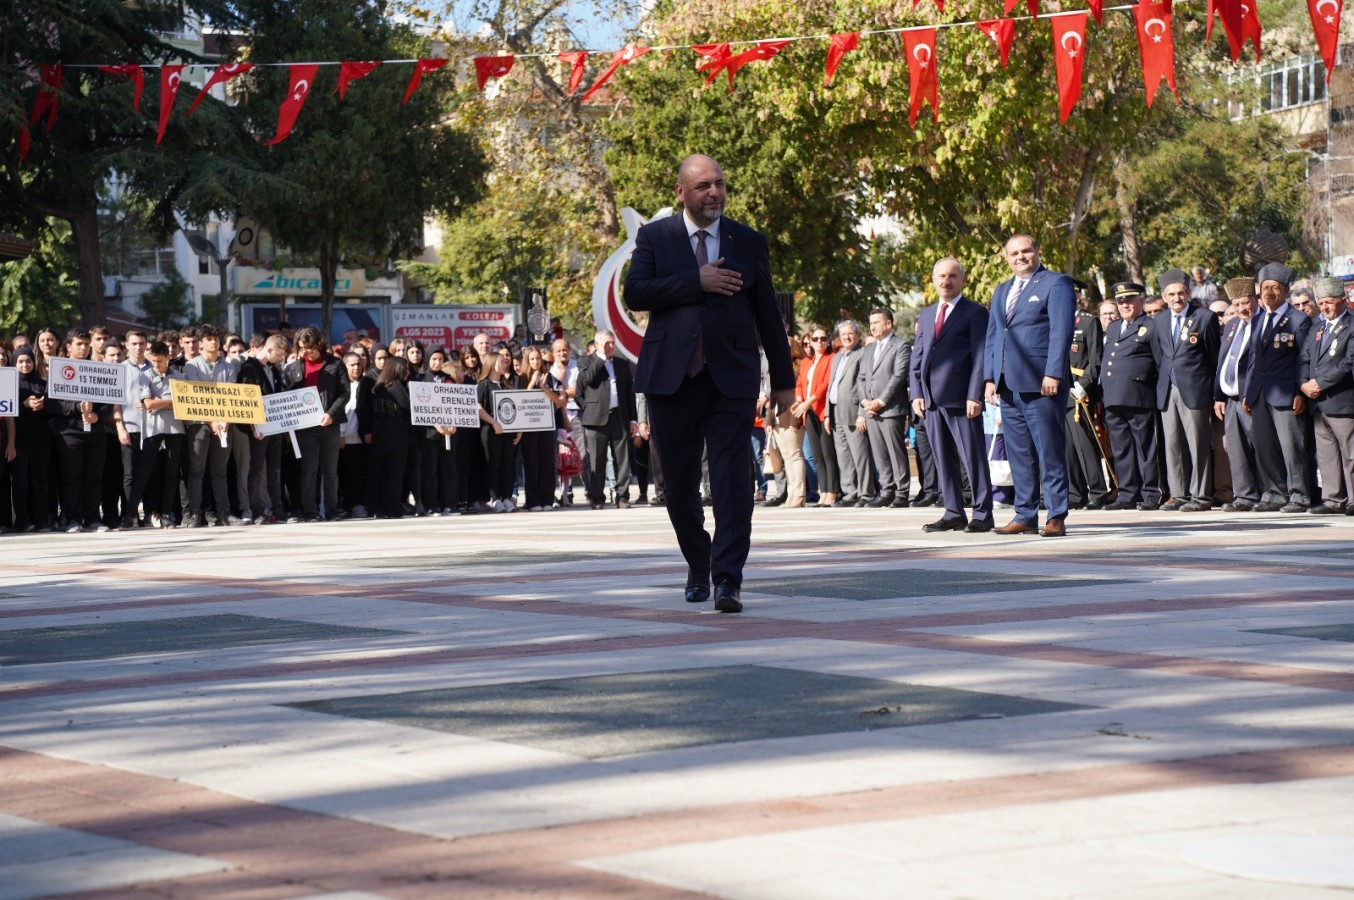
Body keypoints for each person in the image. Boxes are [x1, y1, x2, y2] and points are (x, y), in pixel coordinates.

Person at [623, 153, 794, 613]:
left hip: (730, 379)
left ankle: (727, 579)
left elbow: (768, 315)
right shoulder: (655, 237)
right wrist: (693, 281)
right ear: (680, 192)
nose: (714, 192)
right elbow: (635, 293)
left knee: (732, 481)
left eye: (719, 183)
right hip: (672, 379)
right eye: (703, 186)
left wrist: (784, 382)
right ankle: (699, 564)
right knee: (677, 487)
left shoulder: (747, 240)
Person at [983, 233, 1075, 536]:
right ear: (1006, 258)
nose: (1020, 257)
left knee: (1049, 451)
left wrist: (1054, 373)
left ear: (1038, 251)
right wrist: (989, 378)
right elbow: (994, 336)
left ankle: (1056, 515)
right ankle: (1024, 513)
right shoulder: (1001, 290)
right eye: (1014, 253)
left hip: (1041, 382)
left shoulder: (1056, 283)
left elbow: (1061, 332)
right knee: (1019, 453)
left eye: (1026, 251)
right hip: (1008, 384)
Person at [910, 257, 993, 532]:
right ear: (934, 281)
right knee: (942, 459)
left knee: (973, 457)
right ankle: (953, 511)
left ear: (963, 280)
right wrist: (917, 392)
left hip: (961, 398)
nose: (946, 281)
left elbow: (980, 356)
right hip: (931, 400)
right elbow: (918, 356)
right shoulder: (926, 314)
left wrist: (975, 395)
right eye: (941, 276)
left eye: (952, 276)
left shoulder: (975, 312)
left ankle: (982, 513)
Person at [1152, 268, 1222, 511]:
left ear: (1189, 293)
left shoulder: (1204, 317)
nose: (1176, 298)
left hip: (1196, 391)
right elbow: (1159, 357)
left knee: (1198, 444)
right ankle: (1179, 495)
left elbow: (1215, 359)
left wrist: (1215, 394)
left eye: (1181, 293)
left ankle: (1201, 496)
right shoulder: (1159, 321)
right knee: (1172, 445)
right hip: (1168, 389)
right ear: (1164, 296)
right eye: (1171, 295)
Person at [1244, 263, 1313, 512]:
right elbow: (1254, 359)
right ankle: (1274, 493)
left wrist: (1300, 391)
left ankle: (1299, 495)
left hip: (1286, 394)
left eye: (1274, 287)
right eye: (1264, 288)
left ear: (1285, 290)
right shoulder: (1258, 320)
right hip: (1259, 394)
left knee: (1292, 447)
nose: (1269, 292)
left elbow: (1304, 359)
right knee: (1265, 446)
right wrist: (1248, 393)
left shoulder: (1299, 319)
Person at [1101, 282, 1163, 510]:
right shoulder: (1114, 327)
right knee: (1121, 448)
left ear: (1140, 301)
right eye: (1120, 301)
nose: (1124, 304)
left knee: (1145, 446)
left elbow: (1159, 362)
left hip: (1139, 396)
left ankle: (1151, 493)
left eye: (1128, 300)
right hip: (1113, 397)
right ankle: (1127, 493)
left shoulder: (1151, 325)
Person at [282, 326, 349, 522]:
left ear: (318, 344)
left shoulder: (335, 364)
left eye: (308, 348)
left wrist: (330, 414)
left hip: (330, 425)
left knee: (330, 470)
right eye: (301, 348)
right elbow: (288, 397)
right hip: (305, 428)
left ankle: (331, 510)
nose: (305, 352)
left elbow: (345, 393)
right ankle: (310, 511)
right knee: (309, 471)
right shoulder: (294, 367)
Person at [1300, 277, 1354, 514]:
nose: (1324, 307)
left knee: (1350, 454)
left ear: (1343, 301)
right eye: (1321, 303)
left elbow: (1348, 362)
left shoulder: (1352, 325)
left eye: (1329, 302)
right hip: (1317, 402)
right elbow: (1304, 359)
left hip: (1342, 399)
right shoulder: (1317, 327)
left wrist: (1320, 383)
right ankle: (1333, 499)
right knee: (1327, 454)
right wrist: (1303, 385)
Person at [53, 328, 110, 533]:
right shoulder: (59, 370)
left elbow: (108, 401)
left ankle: (93, 518)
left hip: (96, 433)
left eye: (86, 344)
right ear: (68, 346)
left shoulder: (97, 369)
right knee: (71, 478)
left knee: (94, 477)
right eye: (79, 344)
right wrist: (76, 408)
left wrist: (99, 415)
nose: (84, 348)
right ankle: (73, 519)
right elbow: (53, 405)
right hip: (70, 433)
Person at [125, 341, 186, 529]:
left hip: (176, 428)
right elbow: (148, 404)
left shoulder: (178, 377)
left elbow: (183, 403)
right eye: (154, 361)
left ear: (168, 357)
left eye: (160, 361)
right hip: (153, 428)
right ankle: (129, 514)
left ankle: (167, 513)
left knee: (171, 472)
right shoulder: (145, 376)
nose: (157, 365)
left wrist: (158, 402)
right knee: (143, 471)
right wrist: (169, 402)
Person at [575, 329, 637, 509]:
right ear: (597, 344)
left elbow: (629, 393)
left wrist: (633, 419)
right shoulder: (585, 361)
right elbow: (585, 383)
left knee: (622, 460)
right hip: (596, 419)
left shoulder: (621, 364)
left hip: (619, 416)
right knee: (597, 460)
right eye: (607, 343)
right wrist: (601, 358)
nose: (611, 346)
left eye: (613, 343)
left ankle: (622, 496)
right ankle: (597, 498)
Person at [856, 307, 912, 508]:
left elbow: (898, 377)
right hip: (870, 409)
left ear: (888, 324)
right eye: (871, 323)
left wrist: (880, 402)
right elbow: (861, 378)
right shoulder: (869, 349)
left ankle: (902, 492)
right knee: (879, 453)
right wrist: (864, 402)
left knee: (895, 452)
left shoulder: (901, 345)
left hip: (890, 409)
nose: (872, 327)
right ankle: (886, 490)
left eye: (876, 322)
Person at [1215, 277, 1262, 511]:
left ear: (1255, 299)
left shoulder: (1263, 322)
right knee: (1235, 449)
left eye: (1246, 302)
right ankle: (1244, 496)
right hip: (1230, 398)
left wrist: (1250, 394)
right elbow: (1223, 360)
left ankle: (1267, 493)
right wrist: (1218, 396)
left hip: (1252, 397)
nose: (1242, 308)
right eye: (1236, 304)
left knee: (1259, 446)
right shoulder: (1232, 325)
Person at [1066, 282, 1112, 510]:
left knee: (1085, 444)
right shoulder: (1053, 323)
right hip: (1059, 389)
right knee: (1067, 447)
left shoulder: (1087, 322)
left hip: (1079, 391)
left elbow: (1096, 358)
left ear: (1077, 298)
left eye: (1070, 295)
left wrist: (1084, 384)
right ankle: (1075, 493)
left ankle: (1098, 491)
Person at [238, 333, 289, 524]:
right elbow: (247, 400)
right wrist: (253, 426)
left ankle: (278, 509)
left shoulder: (274, 371)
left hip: (275, 427)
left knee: (275, 470)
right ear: (268, 350)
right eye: (278, 354)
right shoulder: (249, 369)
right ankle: (256, 509)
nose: (280, 358)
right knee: (256, 469)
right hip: (259, 429)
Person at [825, 318, 874, 507]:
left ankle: (865, 494)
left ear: (857, 335)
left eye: (850, 333)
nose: (846, 337)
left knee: (860, 455)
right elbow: (832, 386)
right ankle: (849, 492)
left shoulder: (862, 354)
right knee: (843, 455)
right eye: (843, 334)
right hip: (836, 411)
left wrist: (863, 412)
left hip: (854, 411)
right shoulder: (837, 356)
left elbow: (864, 386)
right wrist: (828, 414)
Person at [358, 356, 412, 519]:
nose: (408, 372)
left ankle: (378, 508)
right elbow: (407, 406)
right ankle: (393, 508)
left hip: (380, 436)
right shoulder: (396, 386)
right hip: (396, 438)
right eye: (405, 369)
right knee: (395, 474)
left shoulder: (379, 387)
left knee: (380, 474)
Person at [796, 327, 838, 507]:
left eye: (823, 338)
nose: (819, 342)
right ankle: (823, 491)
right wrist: (799, 400)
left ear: (828, 341)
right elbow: (799, 384)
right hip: (808, 411)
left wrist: (809, 401)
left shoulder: (831, 358)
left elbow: (825, 384)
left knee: (828, 453)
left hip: (822, 410)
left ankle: (832, 491)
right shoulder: (807, 362)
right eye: (815, 339)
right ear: (810, 342)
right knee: (816, 454)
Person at [477, 345, 521, 512]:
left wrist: (520, 429)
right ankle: (495, 498)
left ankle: (507, 496)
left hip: (508, 433)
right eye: (501, 362)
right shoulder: (484, 385)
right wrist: (493, 422)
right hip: (490, 432)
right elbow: (478, 407)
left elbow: (516, 408)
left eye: (505, 362)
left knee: (508, 464)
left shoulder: (507, 385)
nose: (505, 364)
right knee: (493, 464)